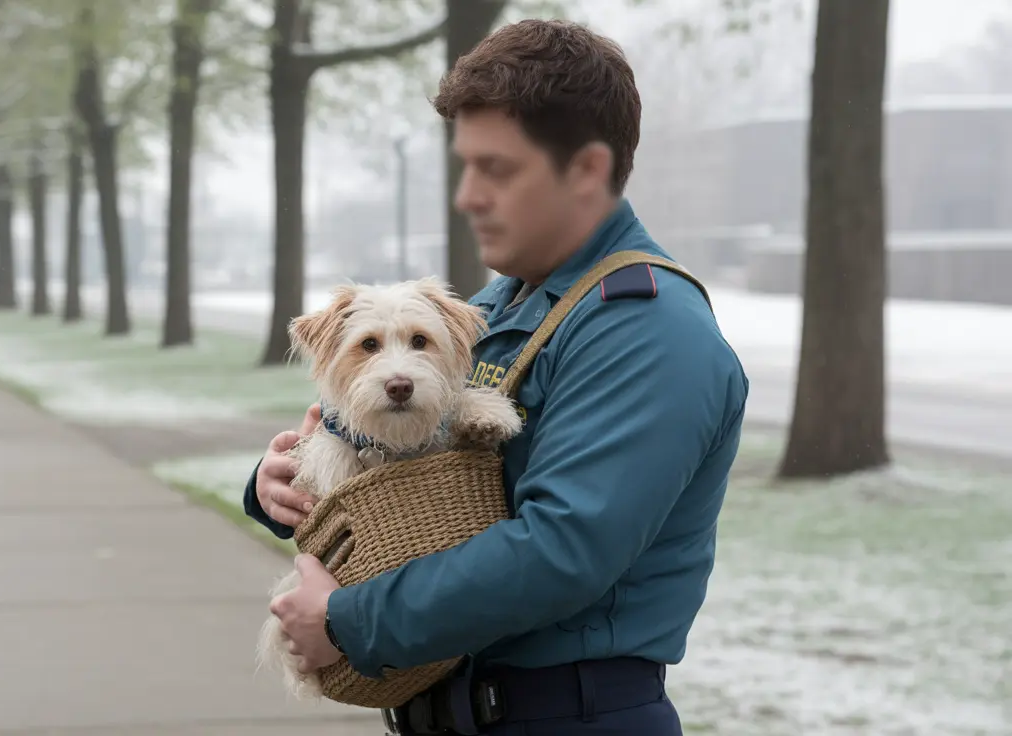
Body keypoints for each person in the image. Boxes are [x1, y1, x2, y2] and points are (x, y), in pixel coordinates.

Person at [244, 18, 748, 735]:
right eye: (466, 167)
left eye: (497, 169)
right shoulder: (497, 307)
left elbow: (563, 550)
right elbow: (401, 456)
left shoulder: (647, 328)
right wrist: (279, 486)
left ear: (587, 171)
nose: (468, 197)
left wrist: (350, 621)